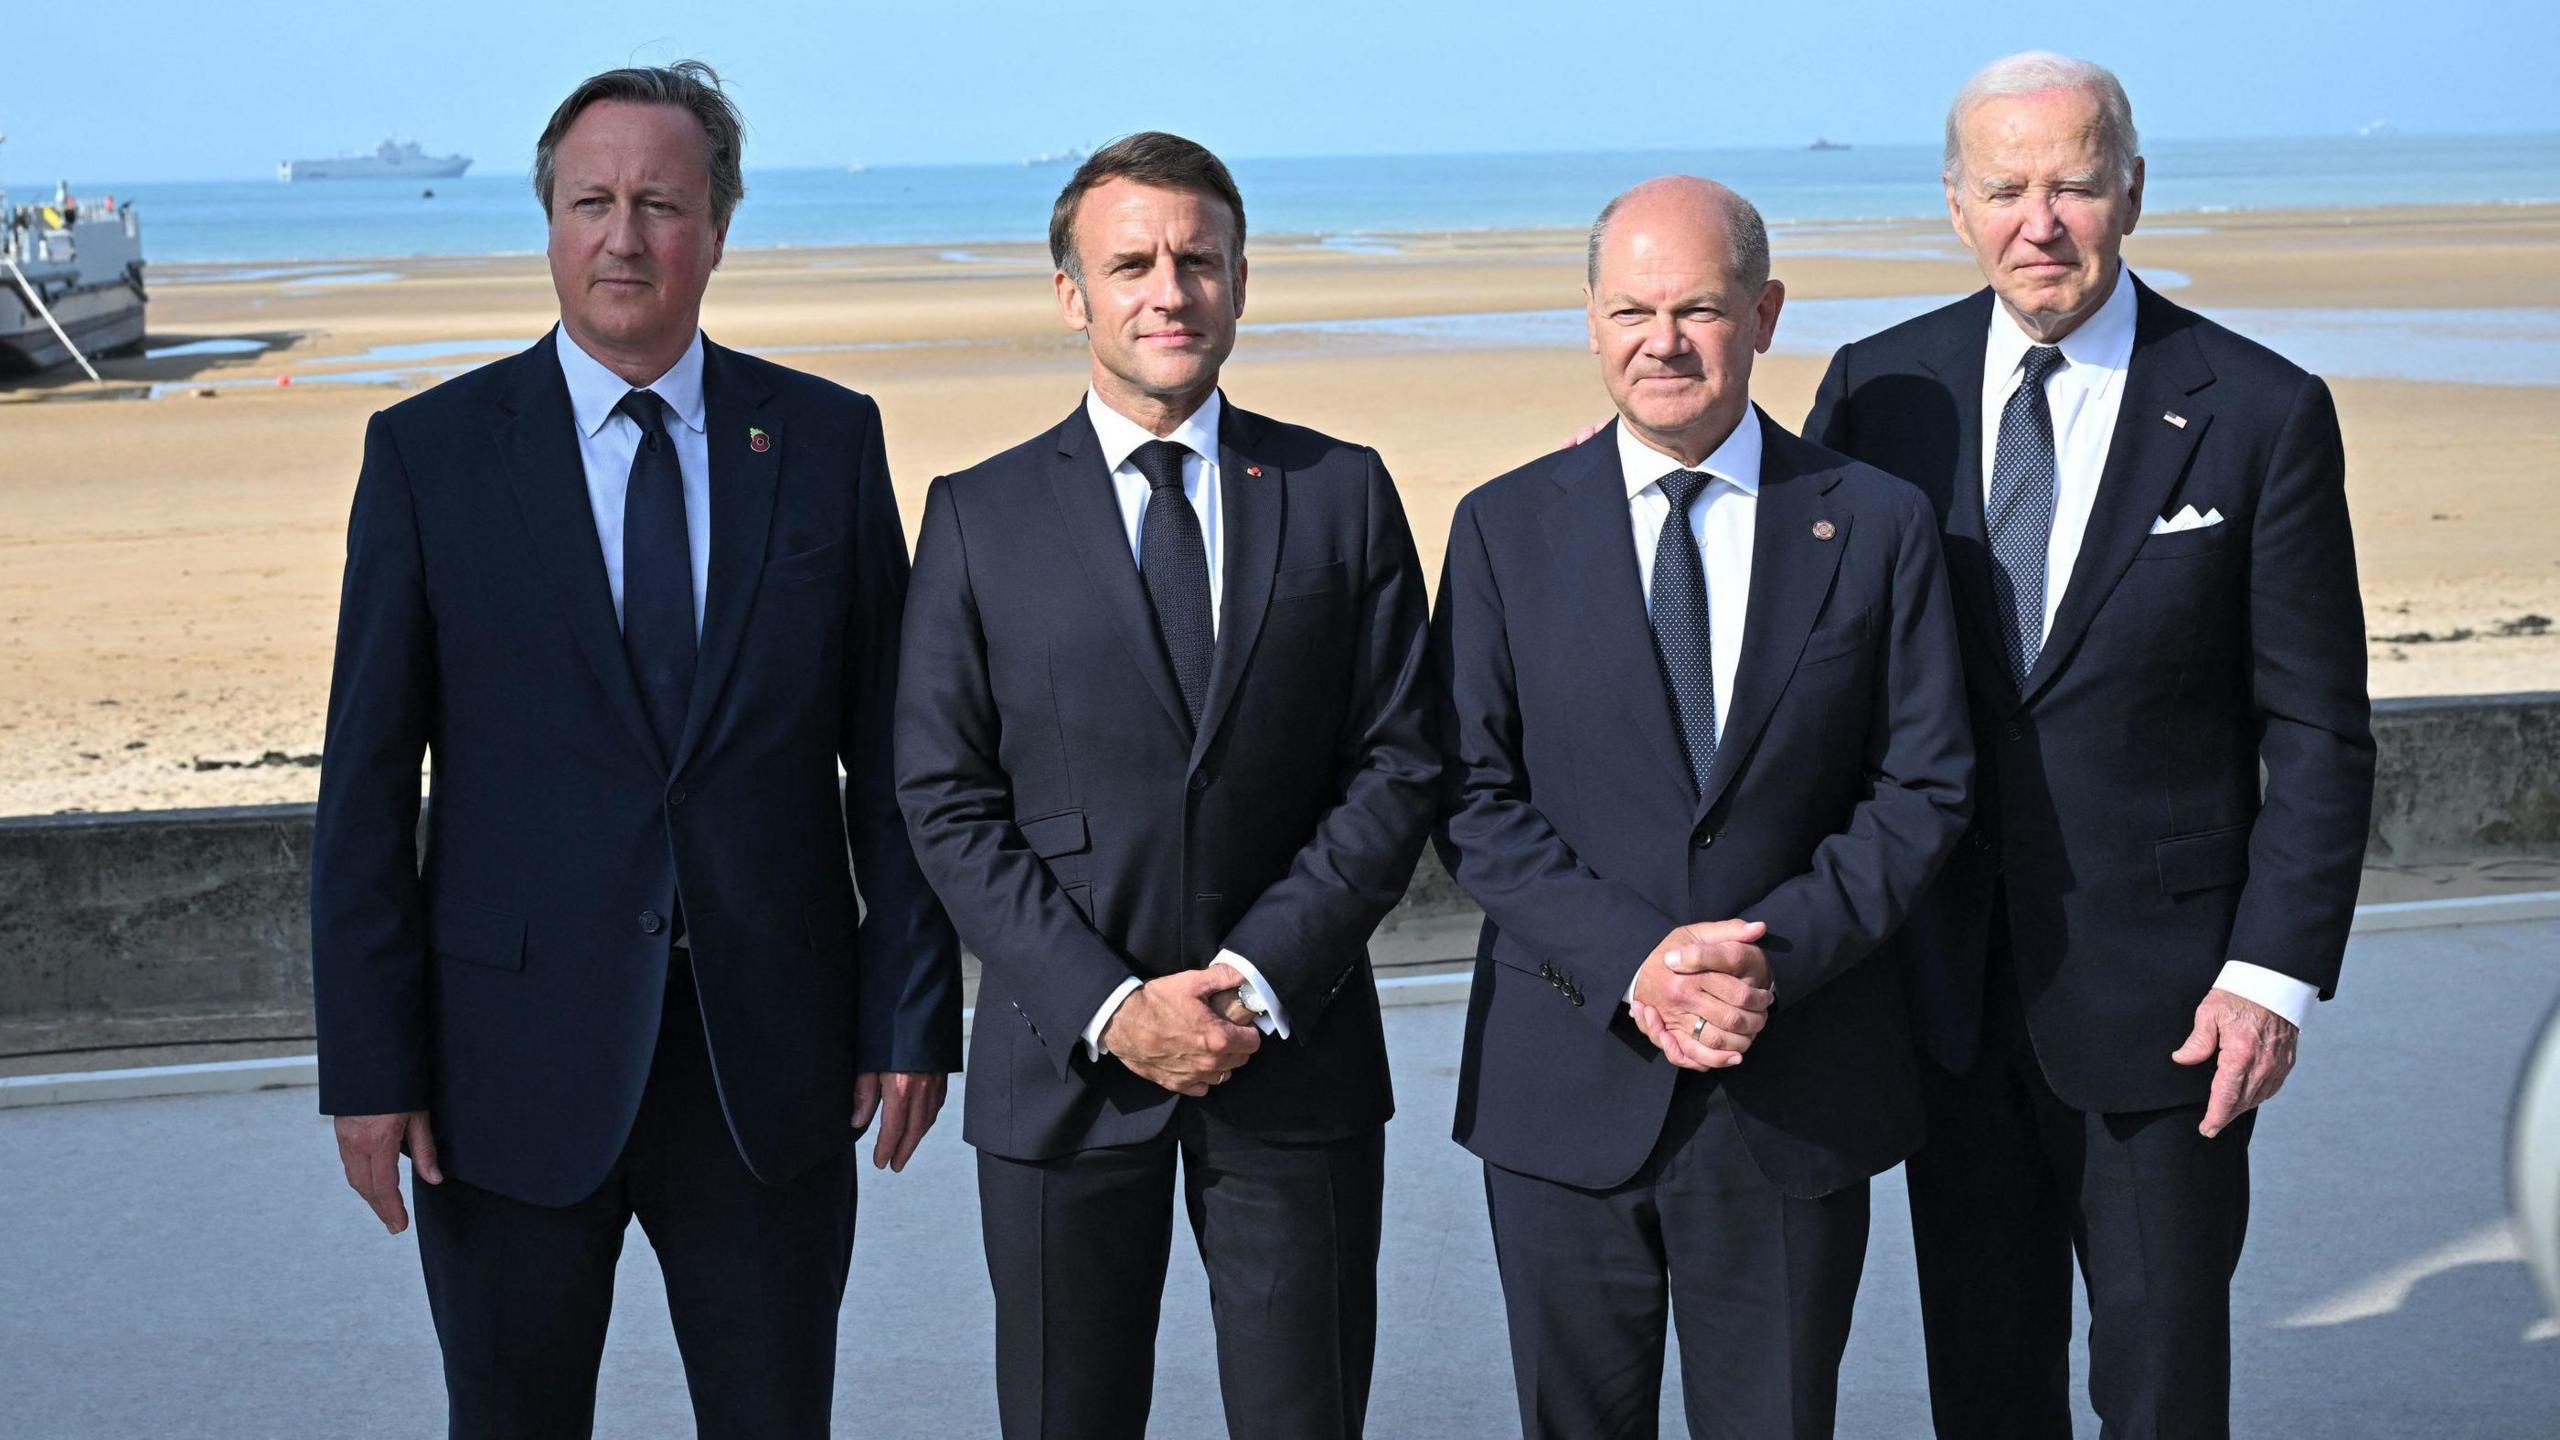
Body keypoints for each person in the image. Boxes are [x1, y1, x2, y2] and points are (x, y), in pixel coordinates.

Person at [310, 62, 961, 1438]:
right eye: (592, 200)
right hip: (503, 1071)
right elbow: (366, 789)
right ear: (547, 223)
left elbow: (893, 766)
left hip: (768, 1064)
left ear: (717, 228)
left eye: (661, 202)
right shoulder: (429, 455)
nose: (624, 235)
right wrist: (369, 1067)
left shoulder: (829, 443)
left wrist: (910, 1014)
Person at [1804, 51, 2374, 1439]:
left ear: (2133, 188)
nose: (2039, 220)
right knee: (1985, 1385)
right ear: (1955, 204)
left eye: (2073, 183)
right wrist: (1627, 475)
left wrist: (2272, 979)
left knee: (2163, 1384)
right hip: (1942, 992)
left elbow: (2317, 723)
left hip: (2176, 1009)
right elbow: (1799, 646)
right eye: (2006, 188)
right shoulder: (1880, 396)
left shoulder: (2259, 408)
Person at [895, 131, 1438, 1440]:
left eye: (1199, 260)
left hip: (1289, 1058)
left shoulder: (1341, 494)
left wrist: (1253, 980)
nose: (1169, 290)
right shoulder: (977, 515)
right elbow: (942, 795)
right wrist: (1111, 1004)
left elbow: (1400, 760)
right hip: (1060, 1072)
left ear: (1243, 281)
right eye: (1130, 263)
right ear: (1074, 294)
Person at [1431, 175, 1973, 1439]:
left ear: (1766, 314)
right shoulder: (1502, 528)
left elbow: (1923, 784)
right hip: (1564, 1080)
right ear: (1589, 320)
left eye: (1698, 309)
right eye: (1629, 309)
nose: (1660, 341)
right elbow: (1469, 792)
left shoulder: (1877, 524)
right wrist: (1638, 962)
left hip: (1791, 1080)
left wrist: (1757, 961)